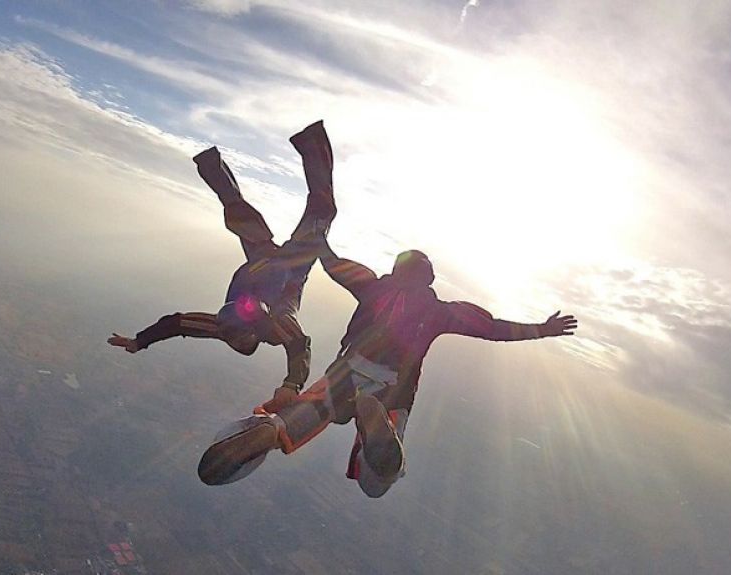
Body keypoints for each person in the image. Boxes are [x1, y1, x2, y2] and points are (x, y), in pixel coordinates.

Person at [198, 242, 577, 497]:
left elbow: (334, 265)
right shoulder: (441, 311)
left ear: (395, 273)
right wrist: (542, 329)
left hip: (344, 374)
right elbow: (492, 329)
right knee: (375, 481)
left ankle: (271, 429)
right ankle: (378, 418)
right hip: (393, 388)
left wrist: (319, 238)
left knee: (297, 419)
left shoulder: (373, 287)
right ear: (428, 281)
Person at [108, 121, 336, 401]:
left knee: (246, 207)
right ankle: (308, 142)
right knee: (310, 208)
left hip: (267, 261)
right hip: (283, 263)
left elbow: (178, 323)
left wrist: (139, 341)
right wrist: (291, 385)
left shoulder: (222, 325)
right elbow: (300, 346)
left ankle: (213, 162)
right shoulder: (276, 324)